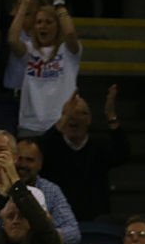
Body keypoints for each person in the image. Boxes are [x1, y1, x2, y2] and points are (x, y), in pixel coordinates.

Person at [38, 87, 130, 221]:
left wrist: (111, 115)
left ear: (89, 120)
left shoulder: (99, 146)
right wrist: (63, 119)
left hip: (94, 217)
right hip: (57, 218)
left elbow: (123, 154)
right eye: (69, 113)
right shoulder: (51, 147)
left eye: (82, 113)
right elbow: (39, 151)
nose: (74, 117)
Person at [8, 0, 82, 135]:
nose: (43, 26)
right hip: (31, 125)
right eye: (39, 22)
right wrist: (24, 5)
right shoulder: (29, 50)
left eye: (49, 22)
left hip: (62, 123)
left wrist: (58, 0)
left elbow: (70, 32)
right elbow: (13, 40)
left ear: (57, 26)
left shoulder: (67, 51)